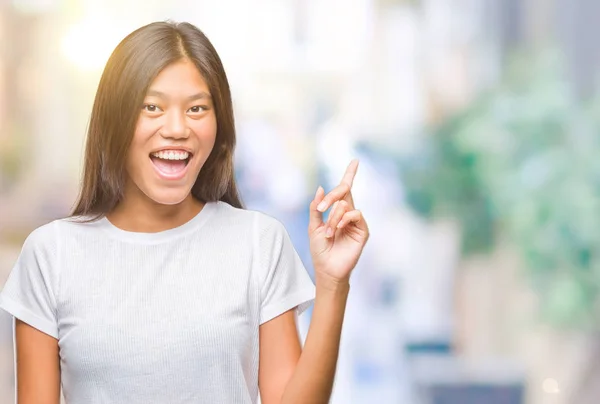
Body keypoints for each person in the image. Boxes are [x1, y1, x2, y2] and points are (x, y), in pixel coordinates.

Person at [0, 21, 369, 404]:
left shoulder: (259, 244)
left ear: (219, 123)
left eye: (196, 108)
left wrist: (332, 283)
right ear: (115, 119)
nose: (176, 128)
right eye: (152, 107)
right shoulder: (51, 254)